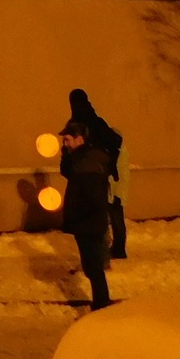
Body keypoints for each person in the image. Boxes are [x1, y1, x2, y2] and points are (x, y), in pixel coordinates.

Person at [60, 122, 114, 310]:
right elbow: (67, 172)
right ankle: (101, 301)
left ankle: (101, 303)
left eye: (67, 140)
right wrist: (66, 153)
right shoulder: (82, 158)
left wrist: (79, 214)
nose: (65, 144)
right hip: (87, 222)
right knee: (92, 266)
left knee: (94, 267)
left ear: (79, 139)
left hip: (89, 222)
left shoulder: (88, 162)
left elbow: (92, 197)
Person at [68, 88, 127, 259]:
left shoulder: (80, 124)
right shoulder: (94, 121)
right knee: (105, 212)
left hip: (92, 173)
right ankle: (107, 252)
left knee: (100, 214)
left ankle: (103, 255)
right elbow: (115, 141)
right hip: (100, 172)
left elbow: (115, 141)